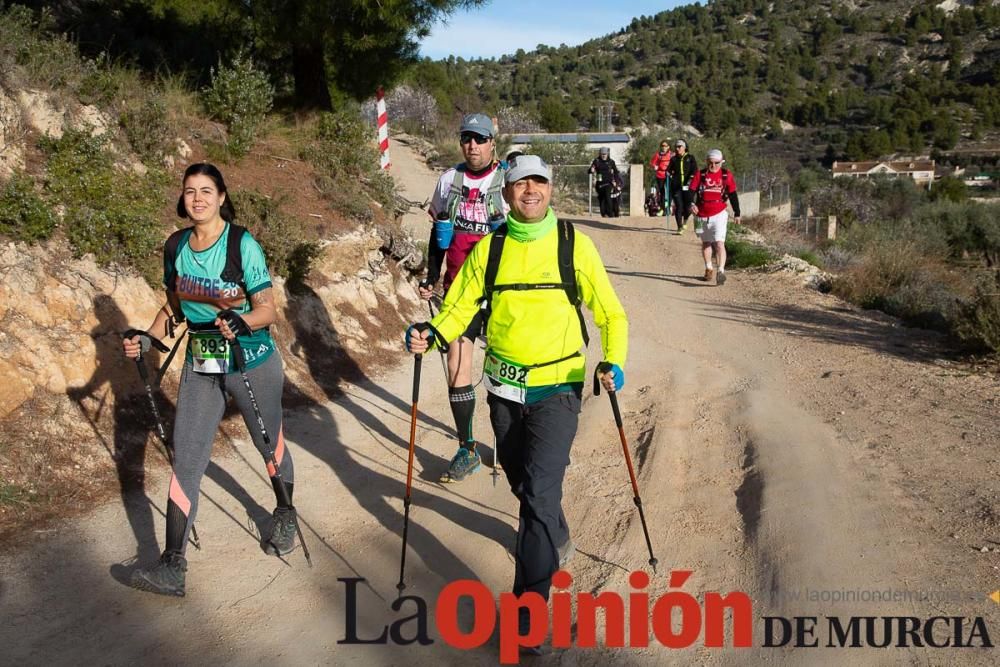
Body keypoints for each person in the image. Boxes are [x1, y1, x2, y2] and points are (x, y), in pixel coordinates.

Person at [405, 154, 628, 654]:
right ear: (505, 193)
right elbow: (460, 305)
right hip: (504, 389)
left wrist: (613, 361)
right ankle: (556, 532)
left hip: (558, 386)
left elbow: (611, 314)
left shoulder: (575, 245)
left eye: (540, 182)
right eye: (520, 182)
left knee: (536, 501)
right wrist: (431, 333)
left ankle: (528, 619)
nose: (531, 190)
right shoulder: (491, 248)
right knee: (519, 480)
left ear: (551, 190)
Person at [123, 163, 298, 596]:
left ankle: (285, 512)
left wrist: (242, 321)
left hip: (251, 358)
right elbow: (174, 311)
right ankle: (172, 565)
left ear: (221, 196)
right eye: (189, 191)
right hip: (202, 362)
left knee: (266, 440)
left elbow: (267, 309)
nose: (197, 198)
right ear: (182, 199)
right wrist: (145, 340)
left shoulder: (241, 244)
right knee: (187, 459)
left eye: (206, 190)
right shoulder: (175, 246)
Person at [420, 112, 508, 483]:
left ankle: (507, 441)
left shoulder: (508, 183)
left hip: (503, 289)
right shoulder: (448, 181)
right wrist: (431, 277)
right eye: (466, 138)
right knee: (458, 367)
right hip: (460, 288)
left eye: (480, 139)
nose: (472, 145)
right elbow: (439, 231)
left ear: (492, 143)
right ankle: (467, 447)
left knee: (505, 369)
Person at [687, 148, 741, 285]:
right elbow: (691, 191)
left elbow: (733, 194)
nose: (713, 166)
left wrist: (737, 213)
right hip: (701, 215)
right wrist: (691, 204)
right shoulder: (701, 175)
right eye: (710, 163)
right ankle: (709, 268)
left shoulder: (726, 176)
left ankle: (721, 271)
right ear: (706, 162)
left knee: (719, 243)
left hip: (719, 214)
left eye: (716, 163)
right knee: (705, 242)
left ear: (721, 162)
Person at [666, 138, 698, 234]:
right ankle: (679, 227)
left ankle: (685, 221)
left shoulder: (690, 158)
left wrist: (691, 179)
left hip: (688, 187)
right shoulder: (673, 159)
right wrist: (668, 174)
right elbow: (668, 170)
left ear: (684, 147)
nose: (677, 148)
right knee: (679, 206)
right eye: (676, 147)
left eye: (679, 146)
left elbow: (695, 170)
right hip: (677, 186)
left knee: (688, 207)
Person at [589, 147, 620, 218]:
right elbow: (589, 171)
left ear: (607, 154)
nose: (603, 155)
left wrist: (616, 182)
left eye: (605, 154)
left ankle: (610, 214)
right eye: (602, 154)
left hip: (609, 183)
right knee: (601, 199)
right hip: (599, 184)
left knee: (608, 197)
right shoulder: (596, 161)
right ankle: (604, 214)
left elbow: (616, 172)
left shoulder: (611, 162)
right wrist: (592, 170)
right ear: (600, 154)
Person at [649, 140, 673, 220]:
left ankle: (668, 208)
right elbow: (652, 163)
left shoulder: (672, 155)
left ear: (668, 147)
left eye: (665, 146)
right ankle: (662, 208)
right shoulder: (658, 155)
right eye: (662, 145)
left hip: (669, 175)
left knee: (669, 191)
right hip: (660, 175)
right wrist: (654, 166)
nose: (664, 147)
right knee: (662, 192)